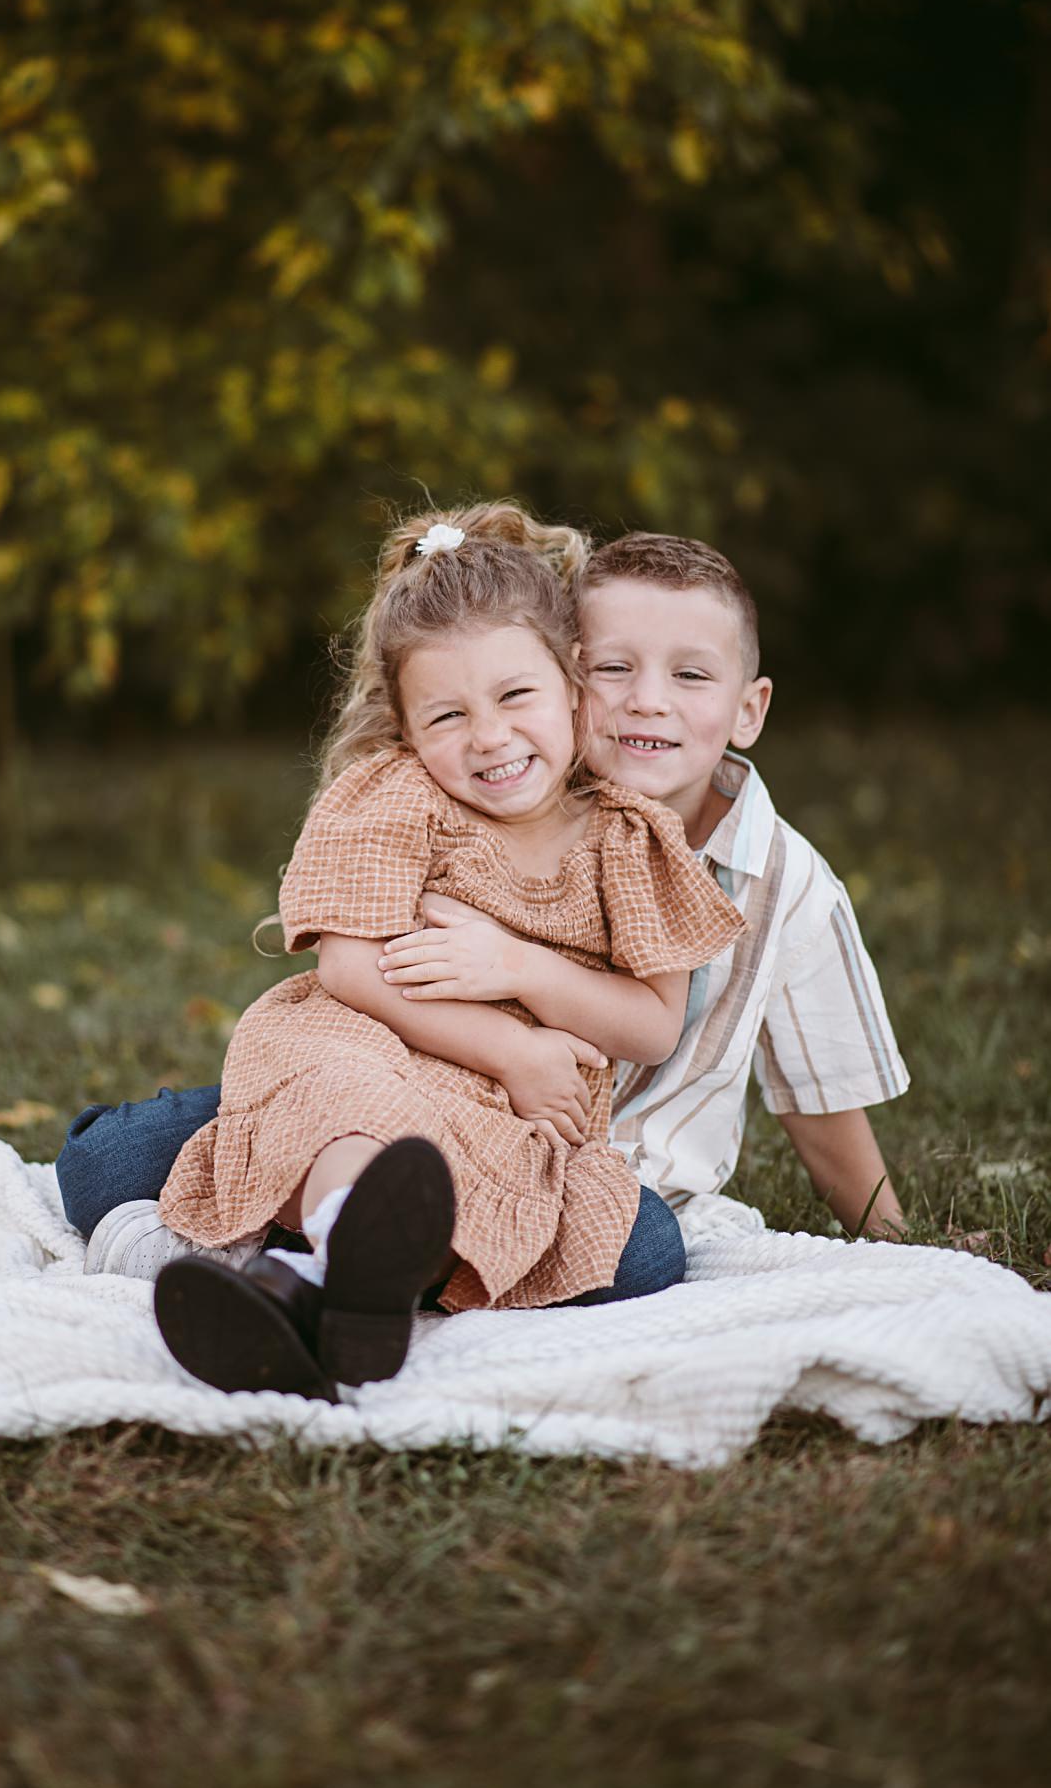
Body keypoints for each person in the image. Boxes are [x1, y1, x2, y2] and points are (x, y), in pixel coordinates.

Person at [141, 502, 745, 1400]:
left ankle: (310, 1285)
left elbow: (654, 1025)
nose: (490, 737)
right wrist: (510, 1042)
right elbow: (348, 969)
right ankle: (337, 1268)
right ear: (407, 727)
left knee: (641, 1247)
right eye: (449, 715)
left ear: (575, 683)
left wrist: (518, 968)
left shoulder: (630, 838)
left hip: (508, 1105)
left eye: (515, 696)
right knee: (345, 1106)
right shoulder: (399, 795)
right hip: (369, 1040)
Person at [381, 531, 908, 1237]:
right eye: (613, 667)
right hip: (426, 1126)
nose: (648, 700)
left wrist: (892, 1238)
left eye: (690, 676)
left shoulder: (788, 883)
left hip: (626, 1188)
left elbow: (821, 1100)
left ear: (749, 710)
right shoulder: (499, 795)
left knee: (634, 1244)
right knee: (213, 1127)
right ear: (563, 678)